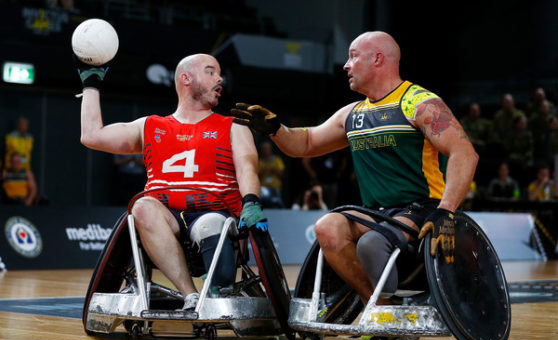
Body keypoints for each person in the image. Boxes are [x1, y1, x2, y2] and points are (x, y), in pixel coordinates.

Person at [232, 31, 478, 304]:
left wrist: (447, 212)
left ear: (377, 59)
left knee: (373, 243)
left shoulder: (420, 103)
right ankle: (379, 306)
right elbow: (307, 142)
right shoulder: (353, 113)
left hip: (424, 207)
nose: (345, 65)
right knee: (327, 226)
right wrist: (276, 129)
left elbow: (465, 153)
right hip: (380, 213)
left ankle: (383, 310)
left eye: (353, 56)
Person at [77, 53, 266, 313]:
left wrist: (251, 202)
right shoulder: (150, 126)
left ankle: (216, 292)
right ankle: (190, 296)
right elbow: (92, 136)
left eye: (219, 73)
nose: (219, 78)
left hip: (215, 216)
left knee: (211, 223)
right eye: (210, 72)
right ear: (186, 79)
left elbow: (247, 169)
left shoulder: (234, 126)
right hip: (165, 219)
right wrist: (91, 86)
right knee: (142, 206)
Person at [257, 141, 285, 208]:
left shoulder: (277, 160)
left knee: (277, 206)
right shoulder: (260, 162)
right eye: (264, 149)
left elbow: (282, 173)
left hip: (275, 189)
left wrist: (273, 169)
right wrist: (263, 170)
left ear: (270, 149)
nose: (266, 150)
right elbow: (256, 176)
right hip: (263, 190)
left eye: (267, 148)